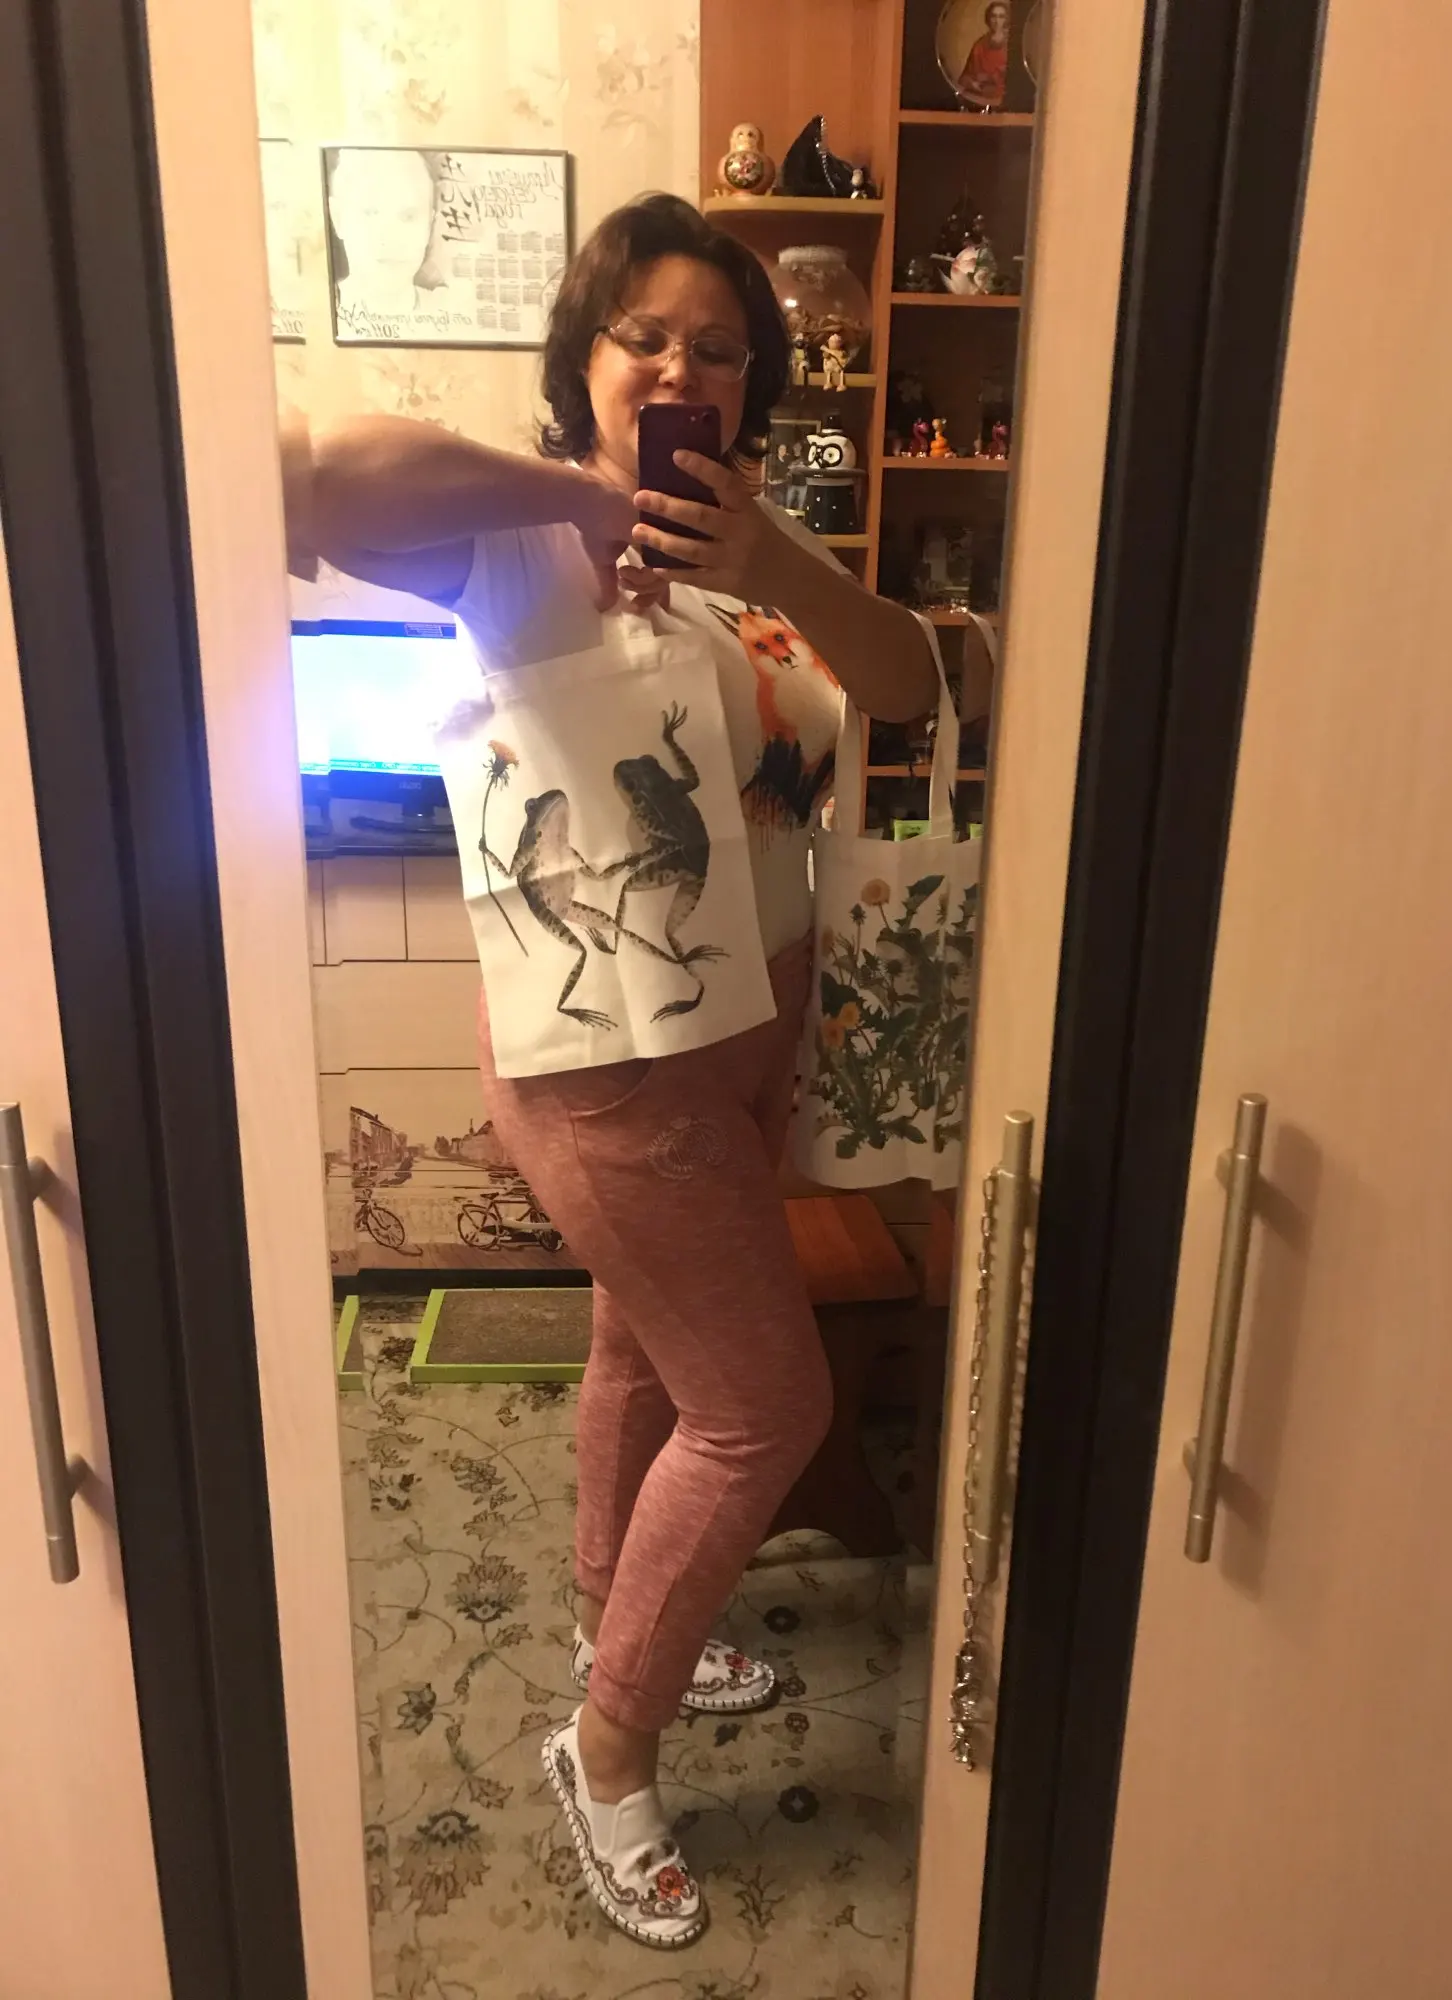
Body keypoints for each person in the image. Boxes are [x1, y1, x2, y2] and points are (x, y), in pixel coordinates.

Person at [282, 190, 935, 1950]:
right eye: (644, 335)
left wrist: (772, 562)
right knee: (766, 1406)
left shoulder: (750, 566)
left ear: (755, 386)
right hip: (613, 1068)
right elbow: (308, 472)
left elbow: (907, 682)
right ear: (582, 357)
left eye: (717, 347)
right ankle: (612, 1742)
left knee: (641, 1350)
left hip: (746, 1046)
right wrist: (577, 496)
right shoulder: (517, 545)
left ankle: (608, 1616)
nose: (680, 366)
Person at [324, 146, 443, 337]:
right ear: (338, 218)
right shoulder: (317, 317)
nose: (391, 237)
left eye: (408, 216)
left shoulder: (453, 316)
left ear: (429, 224)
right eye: (370, 213)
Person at [955, 0, 1011, 107]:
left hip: (1004, 97)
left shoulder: (1012, 44)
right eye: (993, 16)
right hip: (982, 95)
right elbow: (966, 76)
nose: (997, 21)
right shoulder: (979, 45)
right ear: (988, 19)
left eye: (1001, 17)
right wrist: (973, 83)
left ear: (1006, 19)